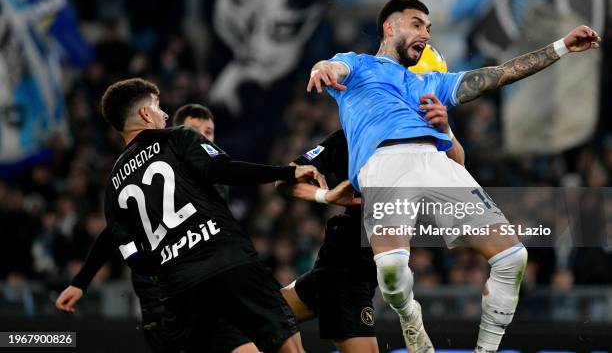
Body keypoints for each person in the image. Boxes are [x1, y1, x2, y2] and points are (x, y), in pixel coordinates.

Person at [307, 0, 600, 352]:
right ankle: (409, 318)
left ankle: (486, 350)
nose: (425, 34)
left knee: (513, 258)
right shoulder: (358, 65)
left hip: (434, 162)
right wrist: (322, 68)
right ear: (390, 26)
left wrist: (562, 47)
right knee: (393, 276)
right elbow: (333, 67)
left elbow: (500, 74)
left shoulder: (432, 84)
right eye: (417, 24)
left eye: (428, 28)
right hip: (384, 166)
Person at [100, 78, 325, 353]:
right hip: (227, 262)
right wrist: (286, 172)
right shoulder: (177, 137)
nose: (165, 114)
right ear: (145, 114)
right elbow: (223, 170)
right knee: (288, 346)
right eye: (158, 106)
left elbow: (132, 255)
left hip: (180, 290)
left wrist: (171, 262)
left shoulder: (113, 187)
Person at [277, 47, 464, 353]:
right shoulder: (353, 137)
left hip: (352, 271)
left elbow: (459, 171)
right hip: (347, 271)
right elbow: (285, 179)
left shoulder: (431, 142)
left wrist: (445, 128)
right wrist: (326, 196)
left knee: (263, 319)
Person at [56, 103, 262, 353]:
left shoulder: (214, 178)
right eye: (194, 131)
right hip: (162, 295)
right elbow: (113, 232)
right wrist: (81, 281)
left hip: (205, 288)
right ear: (176, 133)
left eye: (208, 132)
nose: (202, 137)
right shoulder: (153, 175)